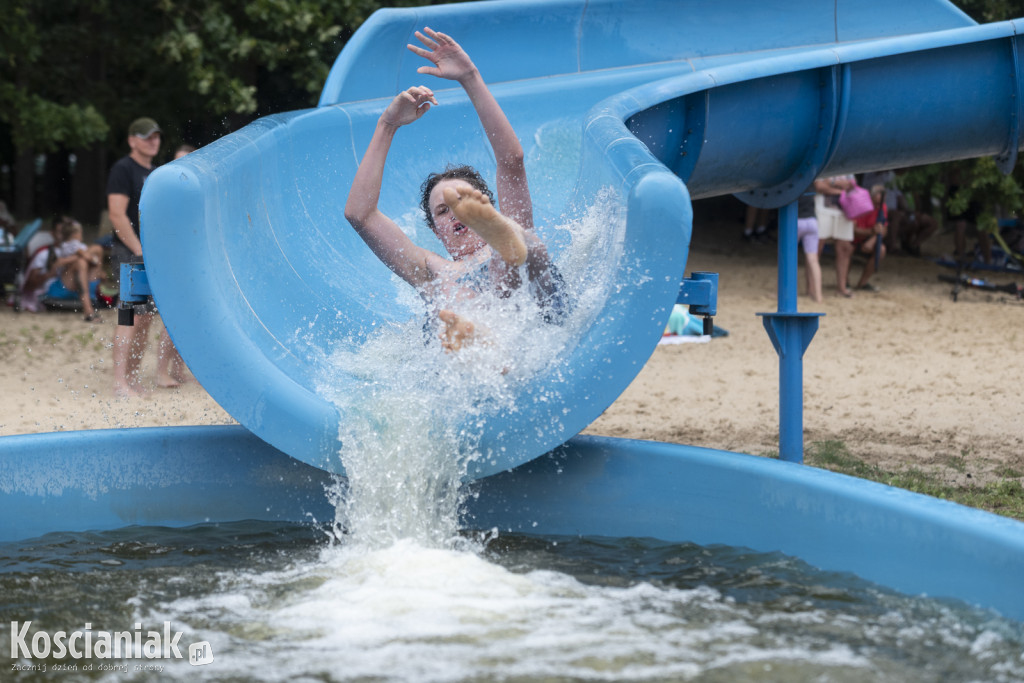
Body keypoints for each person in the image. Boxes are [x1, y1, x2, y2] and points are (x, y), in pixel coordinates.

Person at [344, 28, 566, 351]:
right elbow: (360, 215)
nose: (454, 214)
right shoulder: (431, 270)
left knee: (523, 245)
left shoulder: (505, 236)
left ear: (485, 204)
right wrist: (386, 125)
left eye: (463, 203)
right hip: (476, 337)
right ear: (435, 231)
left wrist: (470, 77)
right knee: (445, 291)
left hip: (534, 309)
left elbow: (511, 161)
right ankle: (474, 334)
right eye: (443, 211)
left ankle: (503, 261)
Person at [108, 117, 184, 396]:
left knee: (146, 319)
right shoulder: (123, 169)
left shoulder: (155, 173)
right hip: (131, 254)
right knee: (129, 318)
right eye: (146, 136)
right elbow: (117, 215)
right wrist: (139, 251)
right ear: (132, 141)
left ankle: (131, 378)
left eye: (156, 136)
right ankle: (119, 383)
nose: (153, 141)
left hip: (149, 256)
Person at [48, 216, 104, 321]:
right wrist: (93, 260)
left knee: (95, 250)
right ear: (76, 234)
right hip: (67, 285)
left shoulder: (67, 246)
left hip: (78, 281)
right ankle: (88, 310)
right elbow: (85, 256)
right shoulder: (73, 246)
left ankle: (88, 307)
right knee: (81, 262)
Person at [813, 175, 857, 297]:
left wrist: (830, 183)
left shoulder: (848, 163)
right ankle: (812, 289)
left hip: (845, 211)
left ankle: (842, 288)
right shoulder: (822, 162)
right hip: (822, 210)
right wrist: (840, 189)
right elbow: (818, 186)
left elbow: (852, 185)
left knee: (844, 249)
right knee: (816, 249)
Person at [848, 184, 888, 291]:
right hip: (852, 239)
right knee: (847, 247)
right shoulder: (859, 205)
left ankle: (863, 283)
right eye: (876, 203)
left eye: (881, 203)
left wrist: (872, 240)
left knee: (882, 249)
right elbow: (852, 230)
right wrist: (870, 232)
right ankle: (845, 282)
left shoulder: (882, 207)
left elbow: (883, 229)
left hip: (867, 239)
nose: (878, 206)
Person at [796, 188, 823, 302]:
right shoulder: (810, 182)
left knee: (787, 258)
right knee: (813, 260)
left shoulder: (791, 184)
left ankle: (781, 293)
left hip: (795, 220)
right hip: (812, 221)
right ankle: (818, 295)